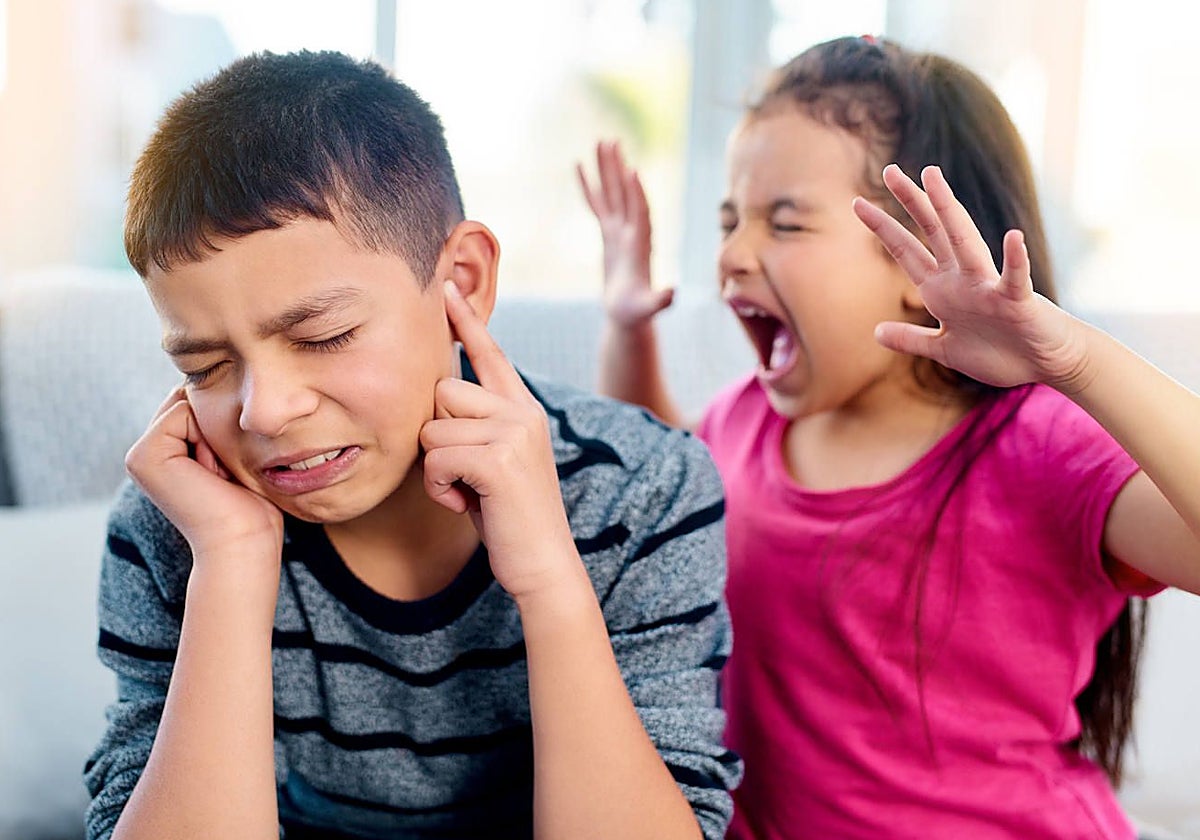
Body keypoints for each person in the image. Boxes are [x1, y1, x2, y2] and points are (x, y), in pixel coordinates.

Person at [83, 50, 741, 840]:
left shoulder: (643, 493)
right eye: (206, 365)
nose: (266, 411)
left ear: (460, 281)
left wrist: (546, 575)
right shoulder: (181, 518)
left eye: (322, 336)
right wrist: (230, 565)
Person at [578, 35, 1198, 839]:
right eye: (732, 219)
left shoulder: (1043, 446)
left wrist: (1073, 359)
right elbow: (656, 476)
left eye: (786, 223)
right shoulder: (747, 420)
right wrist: (628, 329)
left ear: (918, 259)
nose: (731, 254)